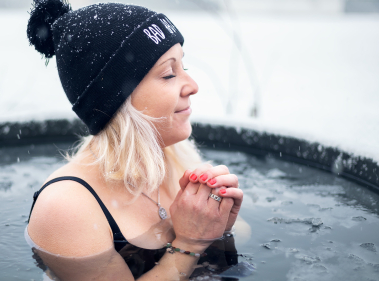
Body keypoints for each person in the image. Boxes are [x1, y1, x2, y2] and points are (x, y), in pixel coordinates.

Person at [25, 0, 244, 280]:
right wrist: (189, 243)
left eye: (184, 66)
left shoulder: (175, 157)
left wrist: (219, 226)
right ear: (118, 100)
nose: (193, 86)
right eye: (168, 73)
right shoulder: (66, 207)